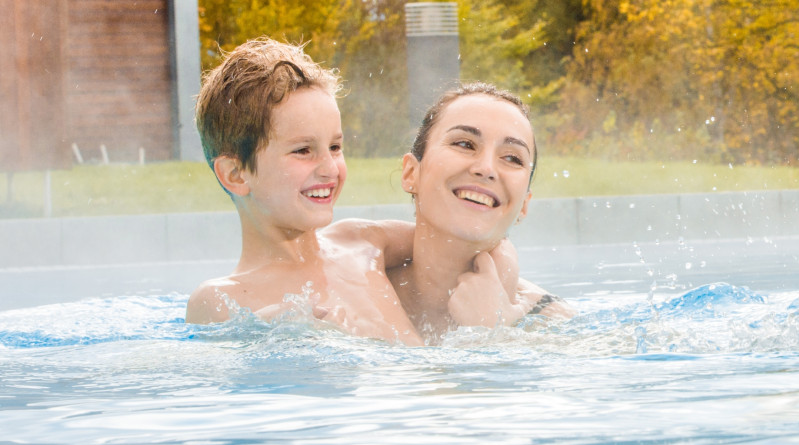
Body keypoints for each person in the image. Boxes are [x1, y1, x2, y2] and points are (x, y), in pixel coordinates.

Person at [185, 39, 423, 344]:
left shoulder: (363, 242)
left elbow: (468, 243)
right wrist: (266, 334)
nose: (329, 168)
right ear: (235, 174)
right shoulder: (221, 301)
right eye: (303, 150)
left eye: (335, 147)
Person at [388, 83, 571, 341]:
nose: (486, 168)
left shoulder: (554, 326)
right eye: (464, 144)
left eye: (512, 158)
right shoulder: (348, 292)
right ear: (411, 174)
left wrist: (493, 333)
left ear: (524, 205)